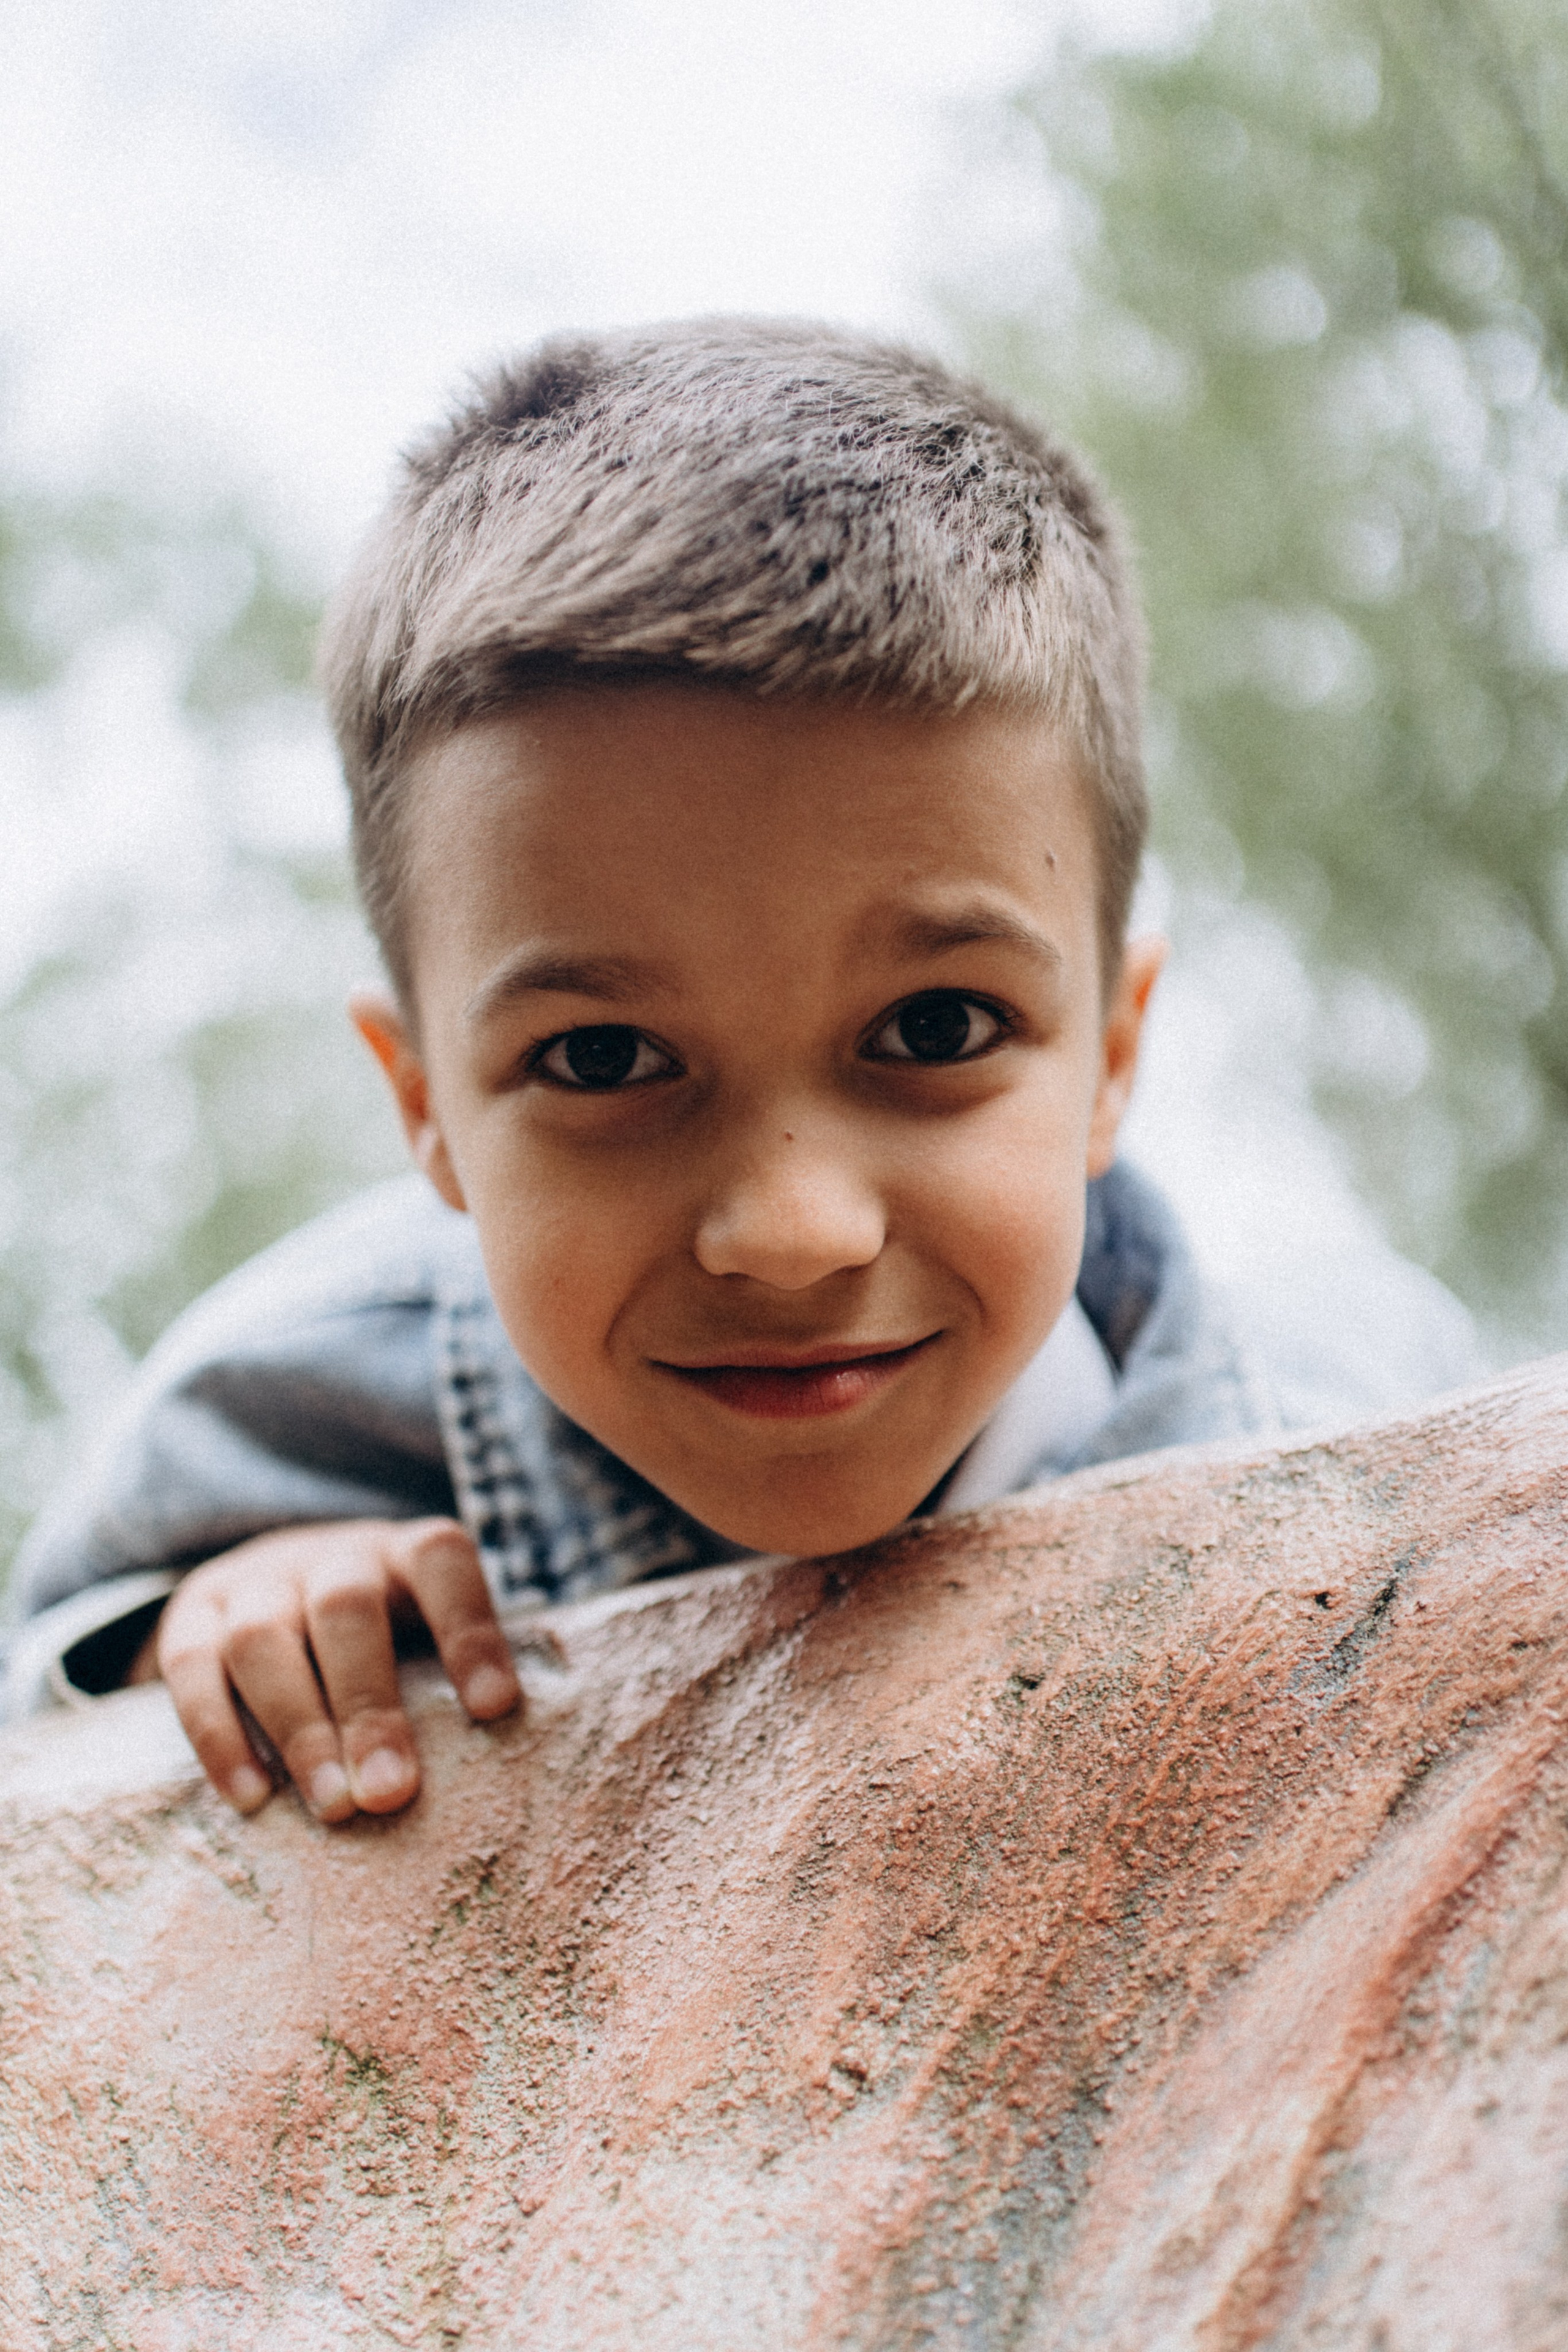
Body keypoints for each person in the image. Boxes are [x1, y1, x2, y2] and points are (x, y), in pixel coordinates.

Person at [0, 320, 1477, 1814]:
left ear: (1109, 1052)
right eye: (601, 1058)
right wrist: (211, 1628)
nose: (791, 1235)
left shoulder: (1357, 1414)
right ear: (424, 1106)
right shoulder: (290, 1410)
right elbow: (49, 1701)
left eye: (933, 1030)